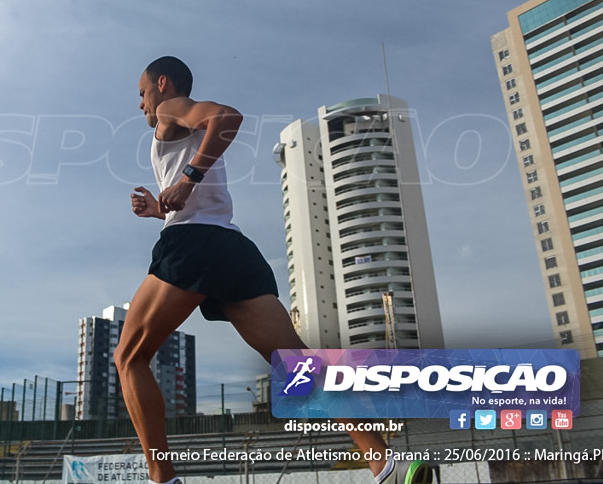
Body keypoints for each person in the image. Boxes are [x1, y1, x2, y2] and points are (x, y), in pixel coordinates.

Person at [115, 56, 437, 484]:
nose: (140, 103)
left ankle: (163, 479)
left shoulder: (173, 109)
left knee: (129, 357)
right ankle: (386, 463)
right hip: (230, 248)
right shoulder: (177, 129)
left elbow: (227, 117)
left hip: (194, 244)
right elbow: (198, 200)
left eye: (141, 93)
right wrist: (161, 208)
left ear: (162, 84)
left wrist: (188, 178)